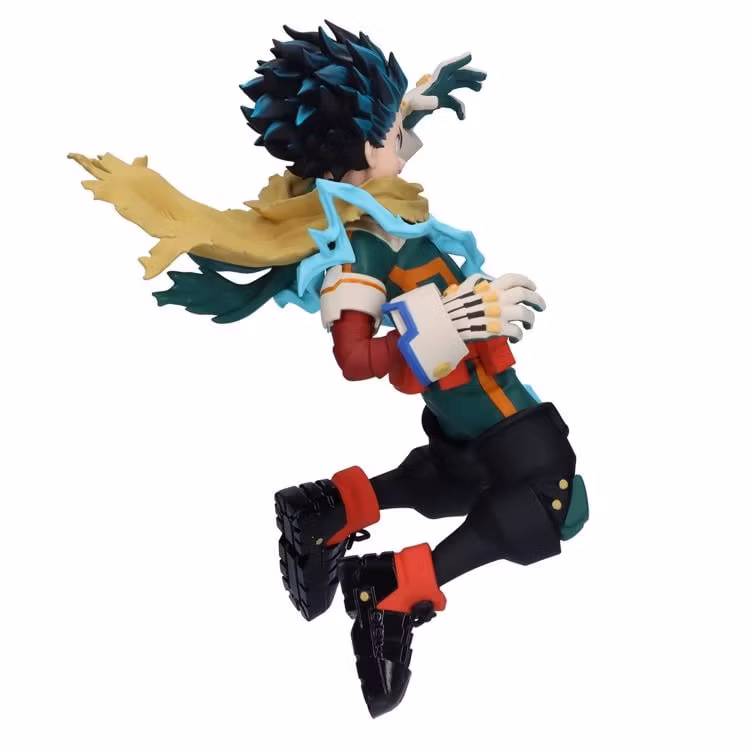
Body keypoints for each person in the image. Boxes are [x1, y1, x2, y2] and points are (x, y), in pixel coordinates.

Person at [69, 21, 588, 718]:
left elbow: (377, 152)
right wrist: (455, 318)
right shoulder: (358, 251)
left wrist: (418, 102)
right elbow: (354, 359)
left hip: (478, 403)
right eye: (392, 131)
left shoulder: (383, 210)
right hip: (486, 405)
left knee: (462, 485)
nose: (403, 139)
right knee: (555, 502)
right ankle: (393, 594)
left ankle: (331, 508)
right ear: (362, 149)